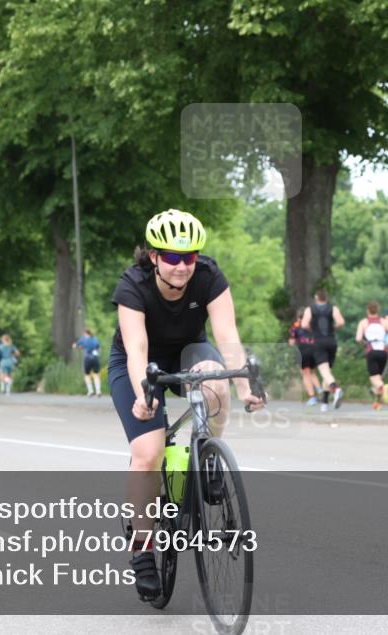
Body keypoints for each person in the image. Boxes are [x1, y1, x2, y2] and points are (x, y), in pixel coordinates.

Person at [107, 209, 264, 601]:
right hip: (139, 362)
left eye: (189, 257)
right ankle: (142, 553)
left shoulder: (209, 276)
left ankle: (207, 456)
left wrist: (244, 387)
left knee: (216, 384)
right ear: (155, 256)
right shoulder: (133, 284)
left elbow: (227, 336)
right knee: (148, 452)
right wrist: (146, 397)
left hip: (189, 351)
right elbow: (137, 349)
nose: (181, 267)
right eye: (172, 257)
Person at [301, 289, 346, 412]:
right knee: (328, 371)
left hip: (319, 341)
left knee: (324, 372)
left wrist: (313, 329)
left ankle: (335, 389)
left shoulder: (310, 309)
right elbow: (341, 322)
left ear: (316, 298)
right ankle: (325, 402)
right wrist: (333, 327)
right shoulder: (333, 308)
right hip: (331, 341)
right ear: (326, 298)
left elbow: (304, 324)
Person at [355, 300, 388, 410]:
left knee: (374, 378)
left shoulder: (363, 322)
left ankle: (383, 388)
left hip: (371, 351)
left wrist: (363, 342)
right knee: (379, 377)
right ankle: (377, 403)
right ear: (378, 310)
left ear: (367, 310)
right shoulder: (384, 321)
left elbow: (358, 338)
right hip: (383, 351)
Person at [288, 308, 321, 406]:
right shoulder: (313, 324)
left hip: (303, 349)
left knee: (305, 373)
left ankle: (312, 397)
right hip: (315, 348)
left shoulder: (296, 325)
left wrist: (291, 342)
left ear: (298, 316)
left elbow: (292, 341)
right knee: (312, 371)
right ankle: (320, 389)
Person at [73, 329, 102, 397]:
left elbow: (76, 346)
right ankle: (98, 391)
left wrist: (76, 346)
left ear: (86, 334)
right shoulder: (95, 339)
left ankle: (90, 391)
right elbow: (98, 348)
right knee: (96, 374)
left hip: (87, 358)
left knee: (87, 375)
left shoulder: (83, 339)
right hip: (95, 358)